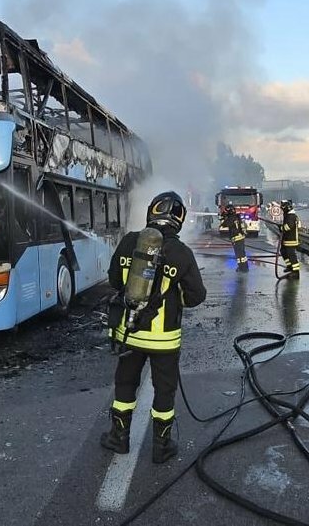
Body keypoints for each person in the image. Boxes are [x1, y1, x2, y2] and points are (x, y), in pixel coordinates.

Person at [100, 191, 206, 463]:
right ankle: (161, 447)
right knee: (164, 390)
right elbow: (197, 295)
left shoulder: (128, 242)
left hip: (130, 334)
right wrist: (174, 298)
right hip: (164, 341)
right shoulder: (182, 253)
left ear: (152, 212)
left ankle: (118, 438)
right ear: (178, 220)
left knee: (125, 385)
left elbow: (114, 280)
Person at [221, 202, 249, 272]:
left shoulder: (230, 218)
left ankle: (242, 268)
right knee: (242, 255)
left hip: (236, 239)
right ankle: (245, 267)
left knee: (239, 255)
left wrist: (224, 217)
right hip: (241, 237)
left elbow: (223, 225)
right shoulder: (237, 217)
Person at [279, 199, 301, 279]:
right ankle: (290, 266)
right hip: (286, 239)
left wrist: (281, 228)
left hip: (291, 240)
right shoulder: (288, 214)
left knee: (291, 255)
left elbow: (289, 226)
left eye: (283, 207)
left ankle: (295, 272)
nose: (282, 209)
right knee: (283, 251)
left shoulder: (291, 216)